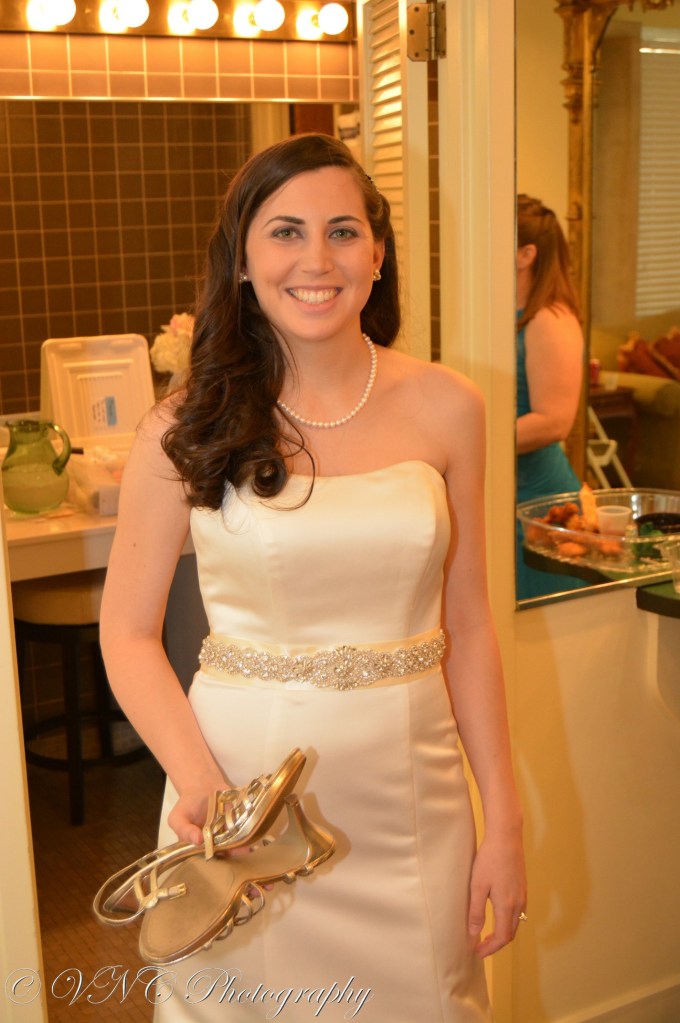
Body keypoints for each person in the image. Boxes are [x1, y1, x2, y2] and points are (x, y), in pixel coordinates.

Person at [100, 134, 526, 1022]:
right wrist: (204, 788)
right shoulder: (182, 426)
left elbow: (472, 624)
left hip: (412, 799)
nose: (317, 259)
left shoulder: (451, 406)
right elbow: (128, 633)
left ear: (378, 254)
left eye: (343, 231)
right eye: (285, 232)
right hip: (245, 797)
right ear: (243, 261)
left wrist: (506, 819)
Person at [516, 194, 586, 600]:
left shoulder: (549, 320)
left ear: (526, 255)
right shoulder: (500, 316)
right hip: (508, 491)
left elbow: (554, 421)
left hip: (540, 502)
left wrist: (469, 441)